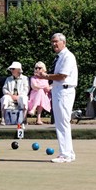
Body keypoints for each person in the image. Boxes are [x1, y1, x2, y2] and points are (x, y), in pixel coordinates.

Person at [36, 33, 78, 163]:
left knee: (62, 123)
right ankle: (68, 153)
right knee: (61, 123)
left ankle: (65, 155)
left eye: (56, 41)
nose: (54, 44)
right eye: (52, 42)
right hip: (59, 90)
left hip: (65, 91)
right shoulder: (60, 57)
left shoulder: (68, 56)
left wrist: (45, 76)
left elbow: (62, 76)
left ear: (63, 42)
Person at [0, 61, 29, 126]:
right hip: (10, 96)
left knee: (24, 98)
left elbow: (26, 90)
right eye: (11, 69)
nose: (11, 70)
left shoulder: (25, 78)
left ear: (18, 70)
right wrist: (10, 95)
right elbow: (4, 88)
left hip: (20, 96)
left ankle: (24, 119)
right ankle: (3, 119)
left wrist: (18, 96)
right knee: (4, 98)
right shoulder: (8, 79)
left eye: (13, 69)